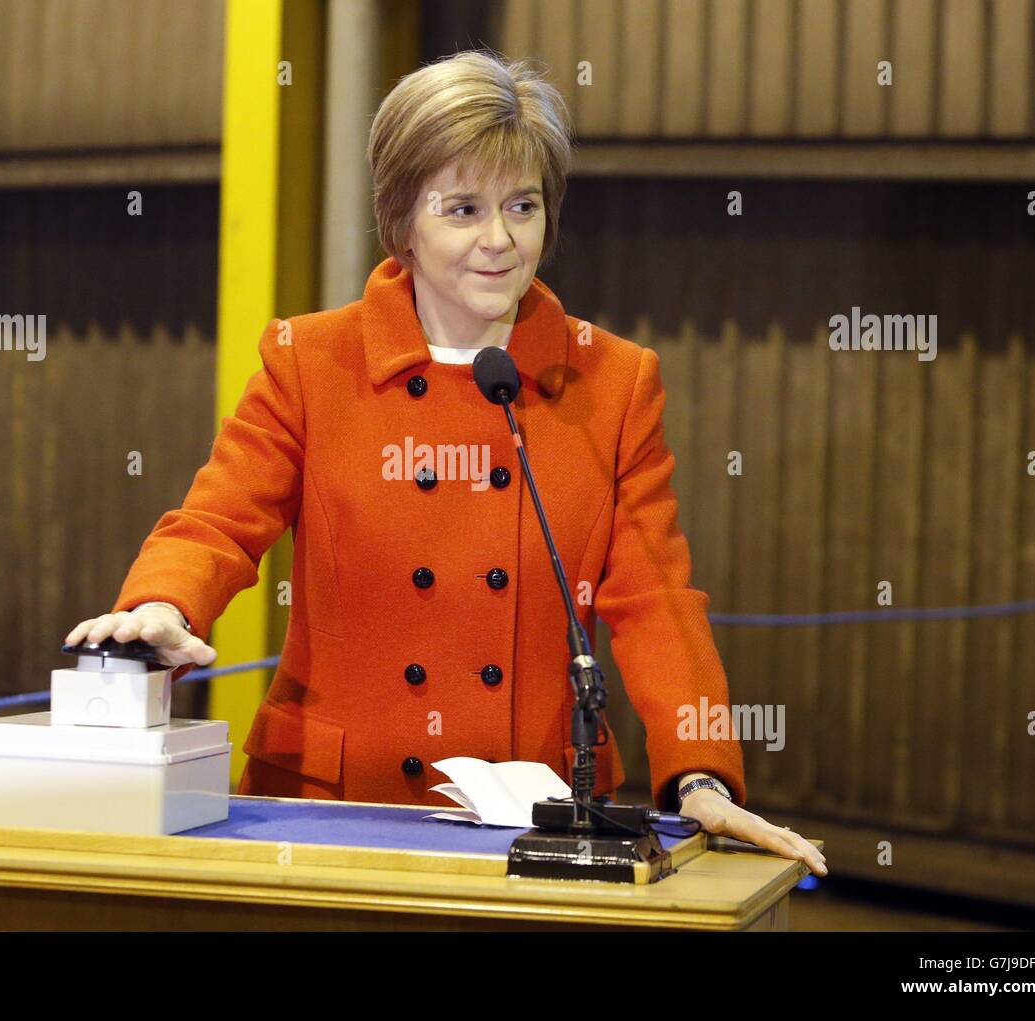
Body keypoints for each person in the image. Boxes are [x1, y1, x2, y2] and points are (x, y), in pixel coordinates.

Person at [66, 50, 826, 877]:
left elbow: (655, 601)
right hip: (331, 815)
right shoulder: (311, 361)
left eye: (522, 206)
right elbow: (216, 520)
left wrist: (700, 768)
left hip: (533, 828)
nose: (499, 239)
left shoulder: (613, 382)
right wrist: (161, 603)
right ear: (402, 221)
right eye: (462, 209)